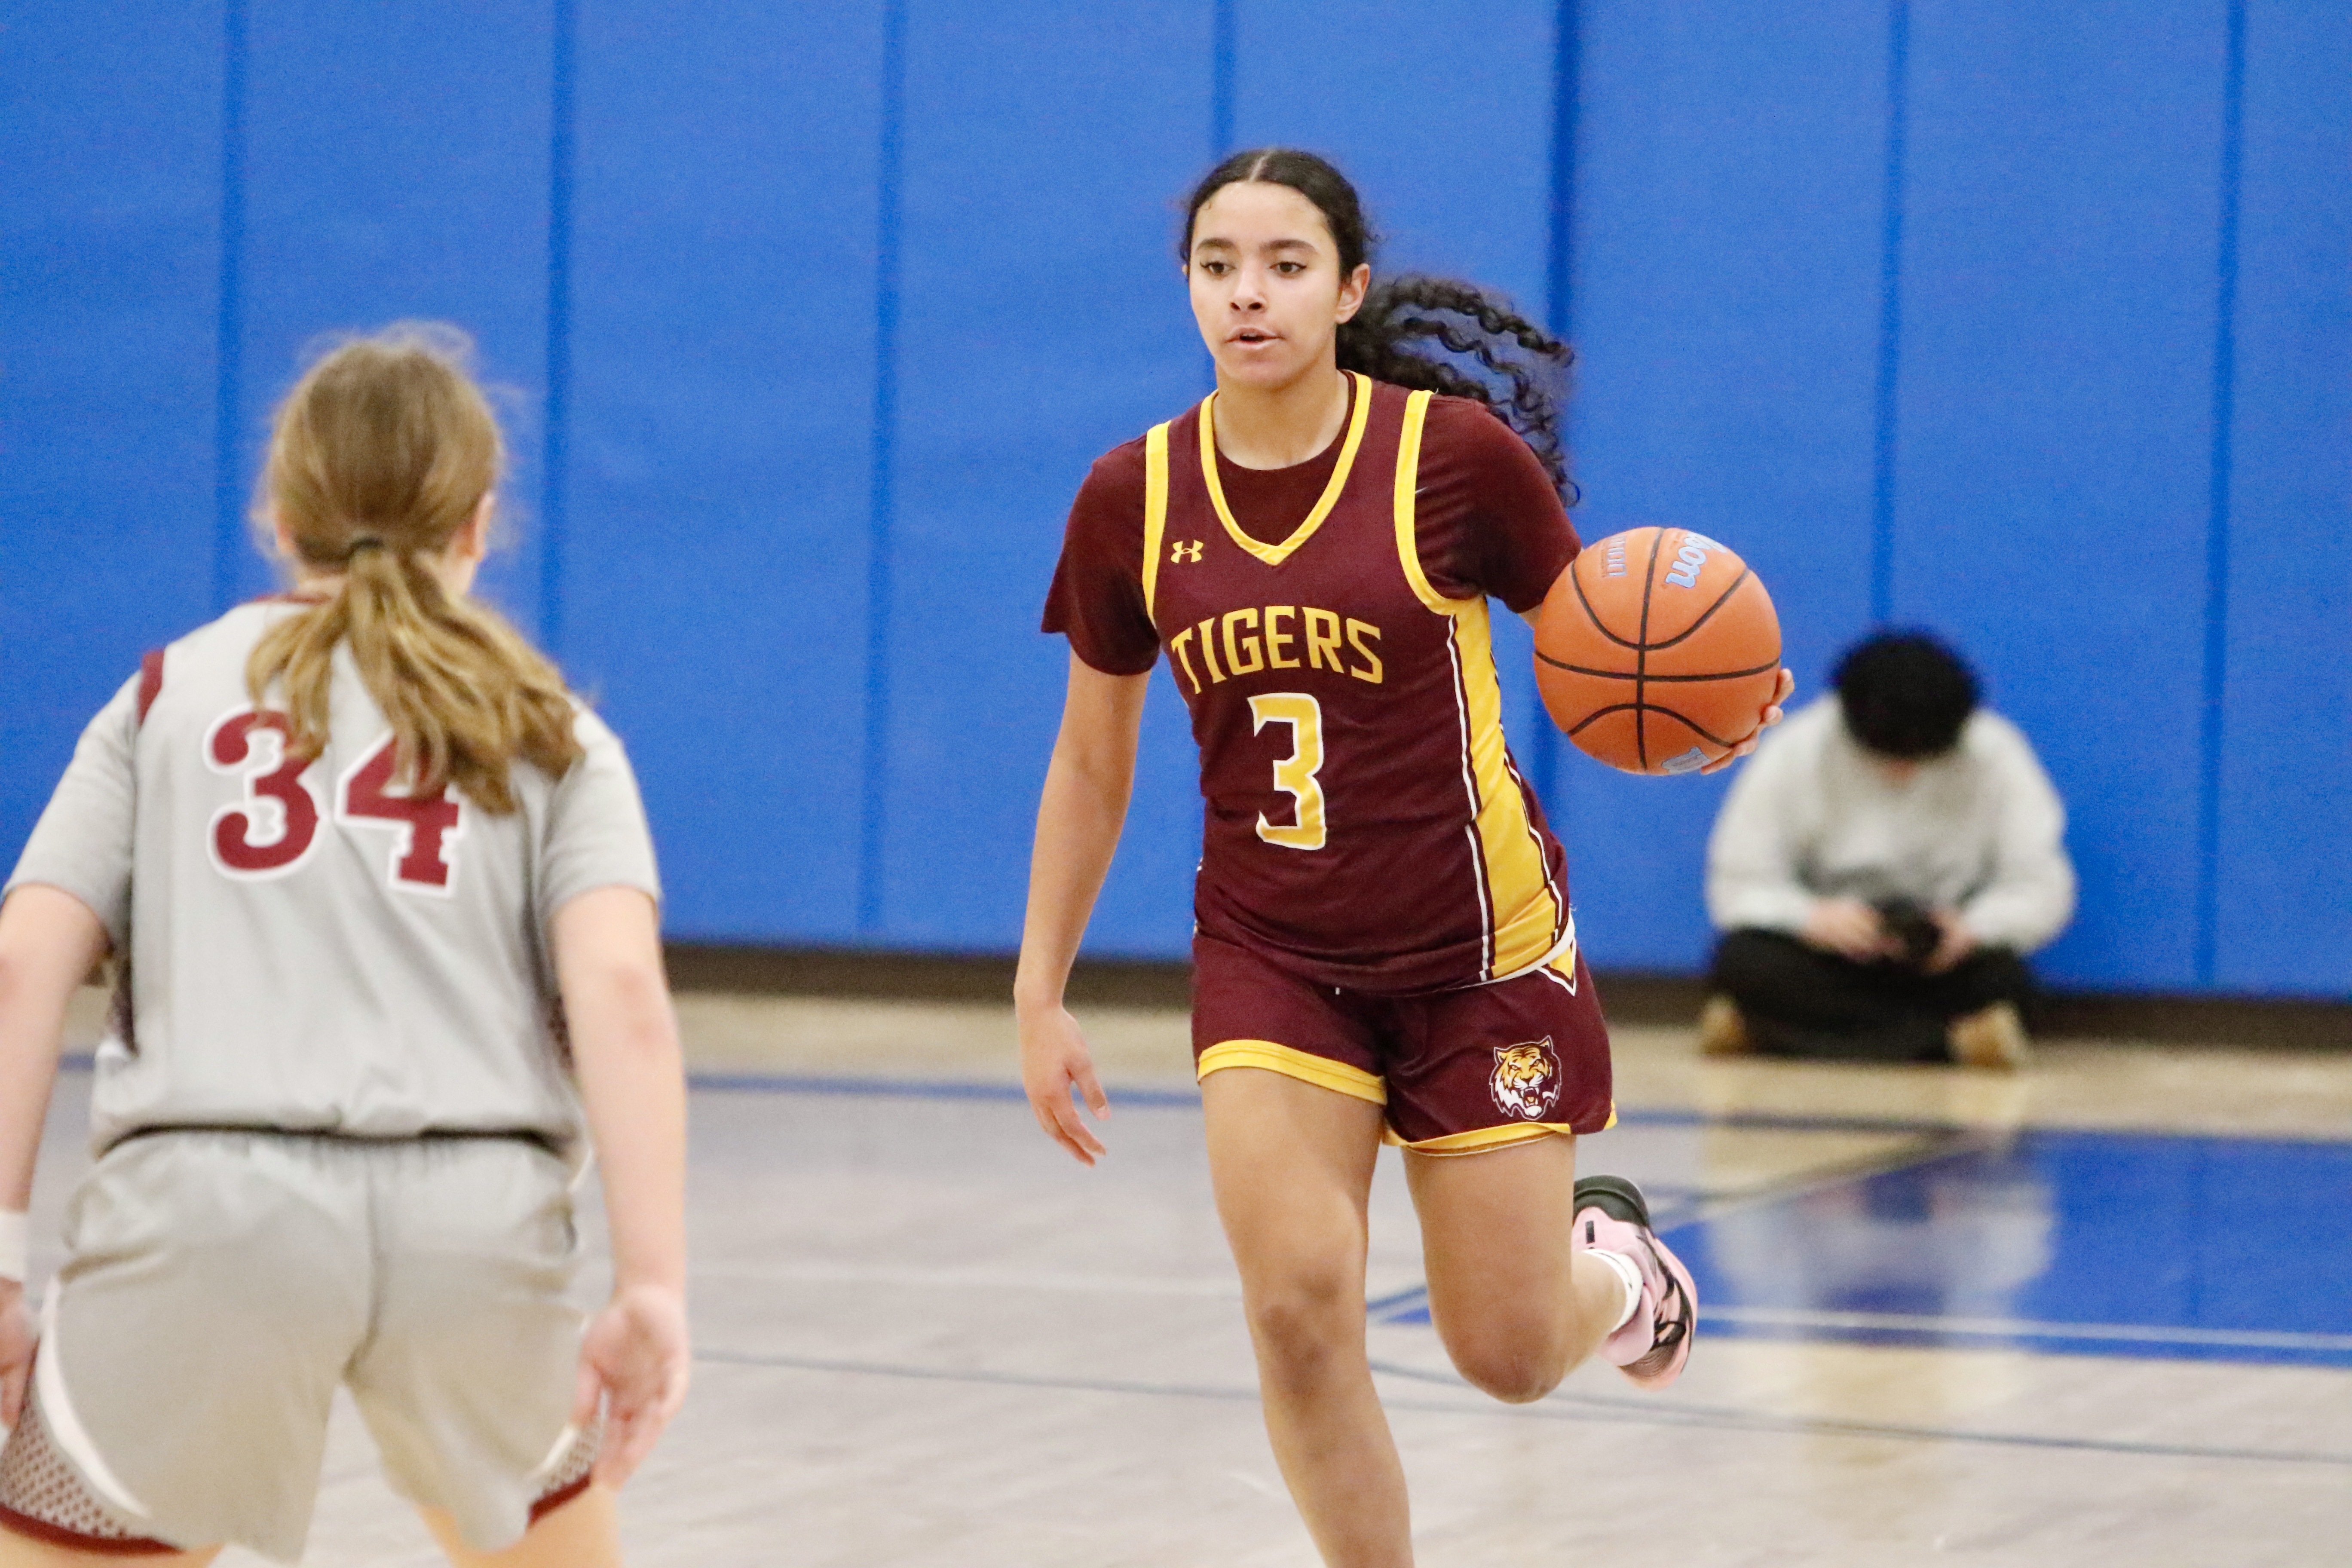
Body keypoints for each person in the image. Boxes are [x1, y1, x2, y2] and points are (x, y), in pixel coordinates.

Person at [1016, 149, 1788, 1567]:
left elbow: (1609, 644)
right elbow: (1089, 760)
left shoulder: (1452, 462)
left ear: (1348, 288)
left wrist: (1715, 706)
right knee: (1296, 1308)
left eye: (1285, 265)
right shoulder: (1134, 496)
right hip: (1274, 957)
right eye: (1217, 267)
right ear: (1188, 289)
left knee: (1506, 1352)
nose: (1249, 295)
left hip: (1478, 954)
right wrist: (1039, 984)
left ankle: (1619, 1275)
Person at [0, 327, 689, 1566]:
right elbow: (623, 994)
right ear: (479, 524)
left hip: (206, 1207)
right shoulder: (552, 725)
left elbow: (21, 968)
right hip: (477, 1220)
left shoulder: (164, 699)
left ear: (280, 517)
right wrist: (653, 1285)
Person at [1701, 630, 2074, 1069]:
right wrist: (1811, 918)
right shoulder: (1797, 750)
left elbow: (2040, 887)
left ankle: (1768, 1030)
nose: (1903, 772)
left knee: (2006, 979)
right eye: (1884, 757)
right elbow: (1739, 883)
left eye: (1924, 757)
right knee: (1744, 962)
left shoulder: (1997, 754)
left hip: (1937, 959)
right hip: (1826, 953)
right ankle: (1947, 1041)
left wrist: (1971, 929)